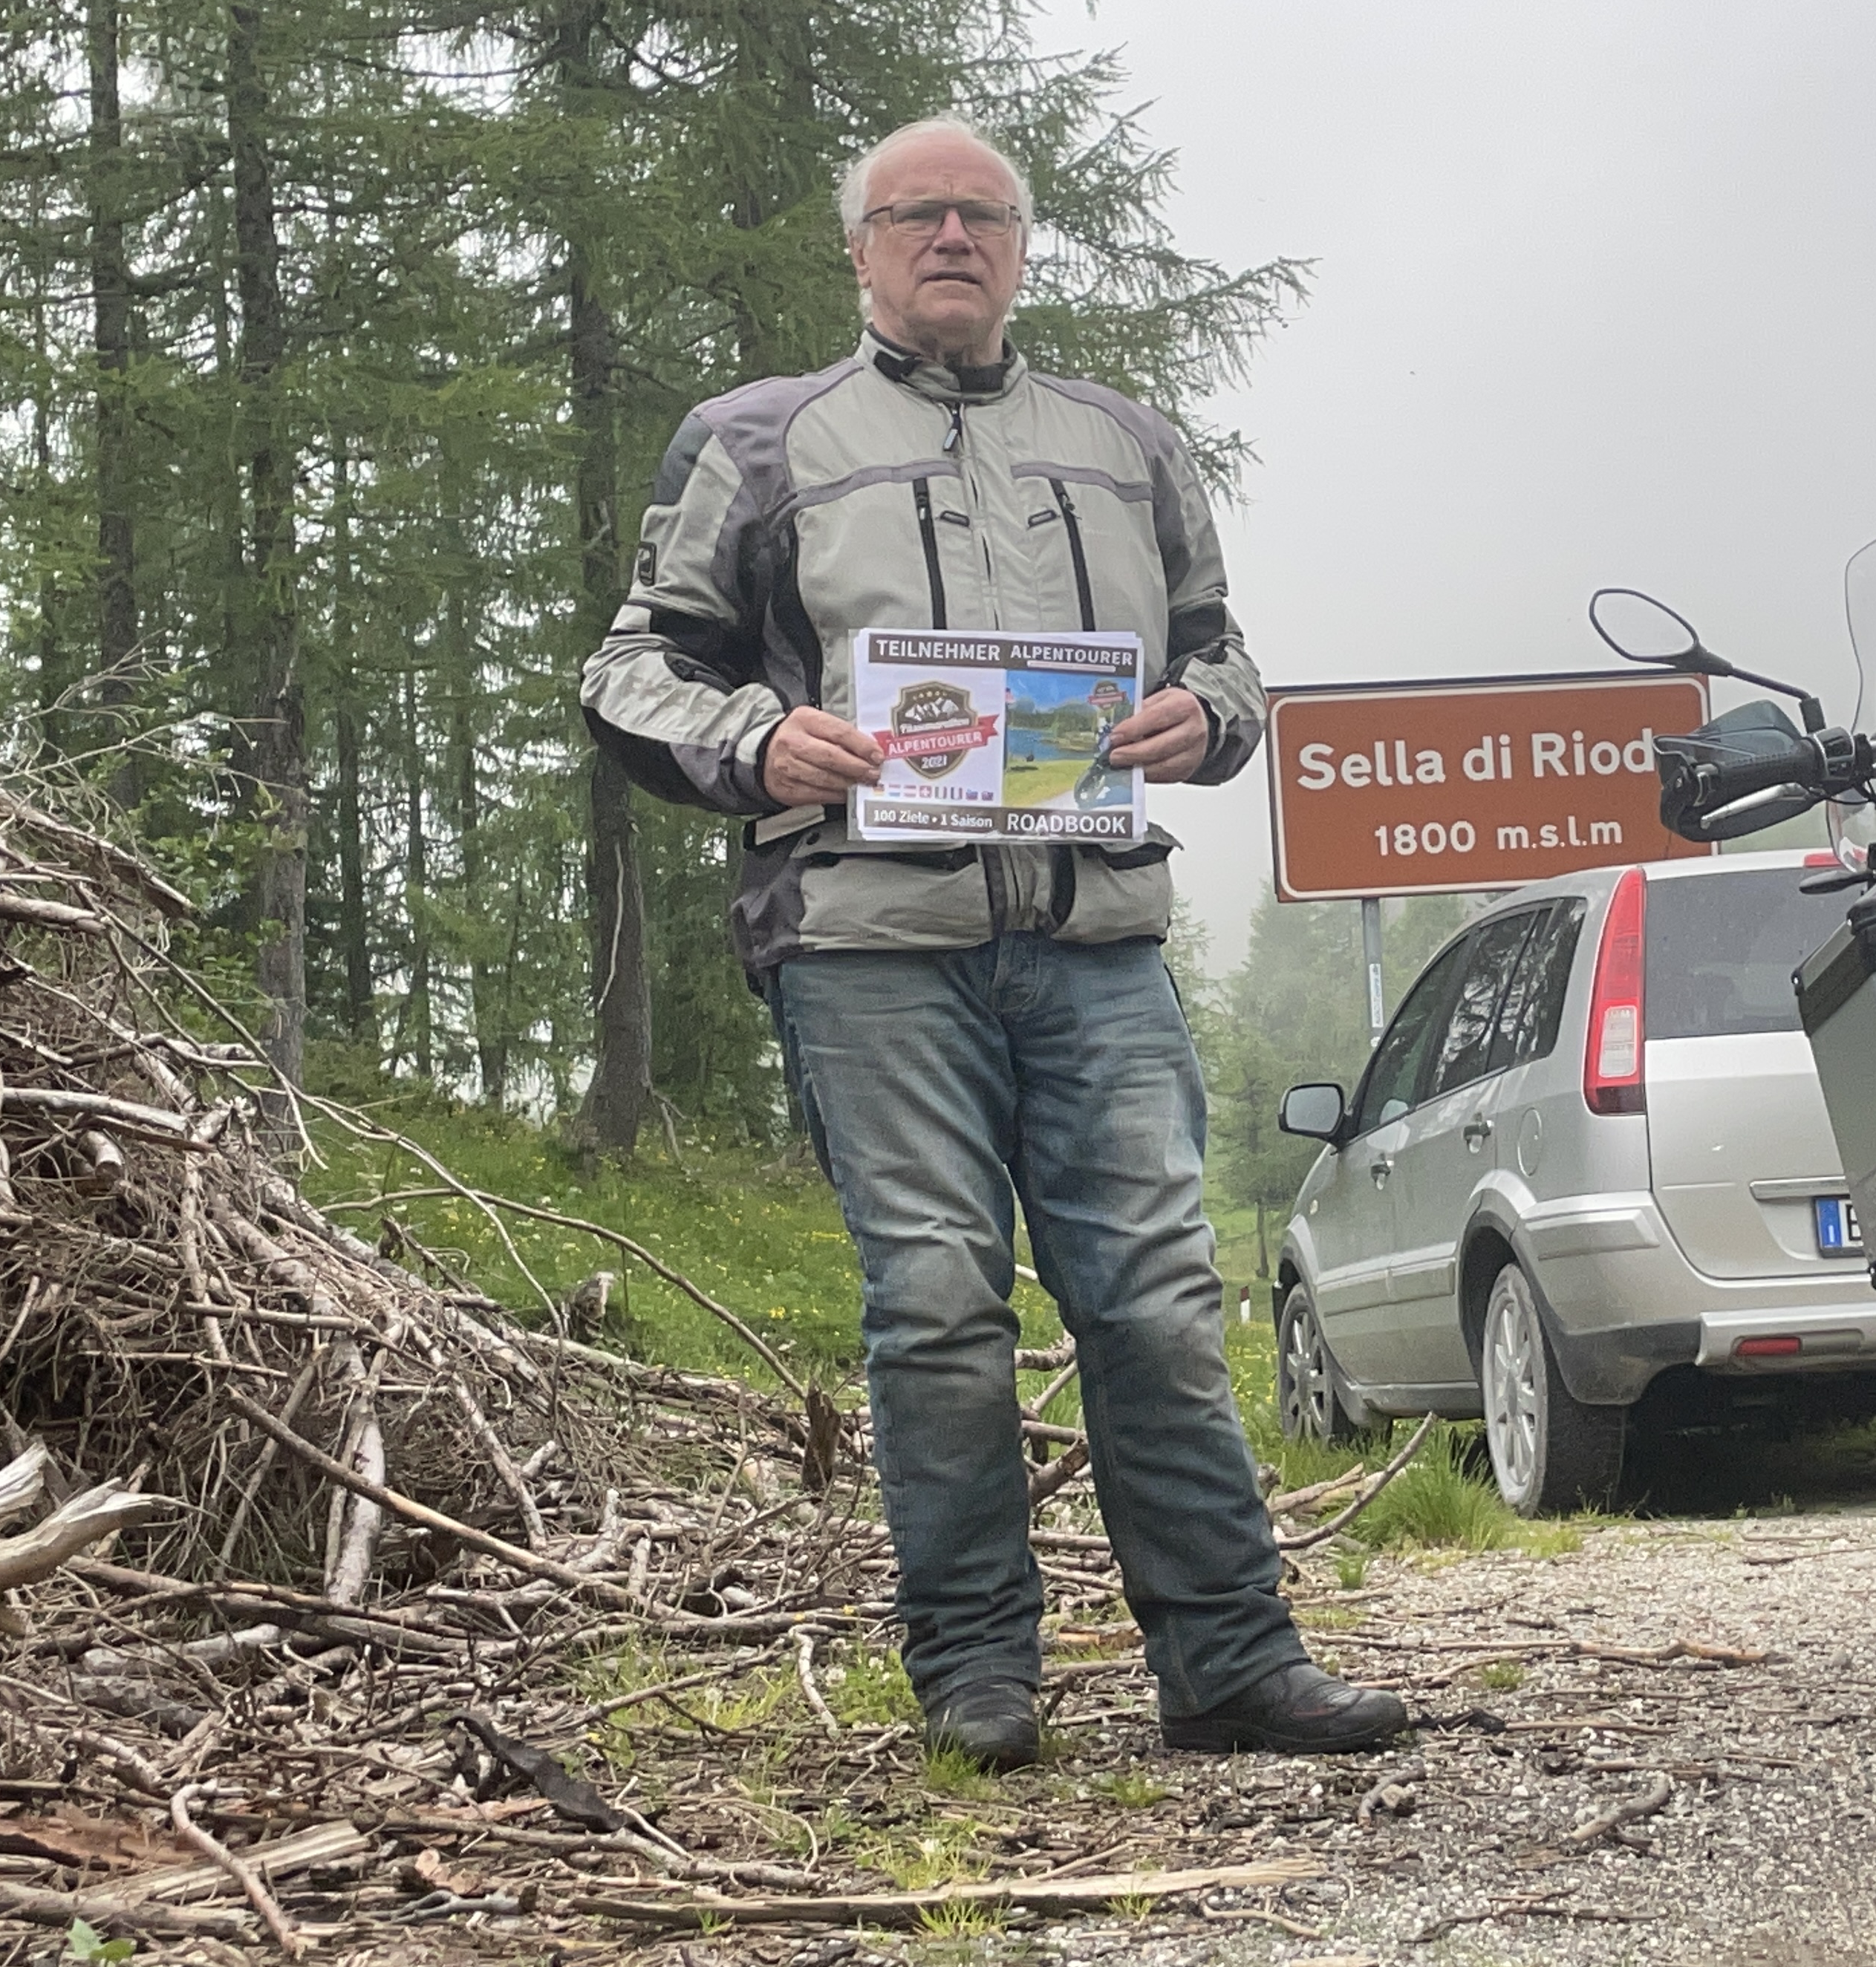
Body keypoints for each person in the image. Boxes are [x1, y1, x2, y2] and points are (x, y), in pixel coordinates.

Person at [579, 115, 1403, 1769]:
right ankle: (976, 1677)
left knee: (1158, 1303)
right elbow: (630, 672)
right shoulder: (757, 439)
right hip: (866, 949)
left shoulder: (1128, 445)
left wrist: (1207, 718)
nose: (951, 236)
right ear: (861, 251)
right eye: (917, 215)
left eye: (982, 214)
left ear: (1022, 249)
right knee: (940, 1305)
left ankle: (1232, 1668)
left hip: (1098, 944)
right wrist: (759, 741)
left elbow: (1229, 662)